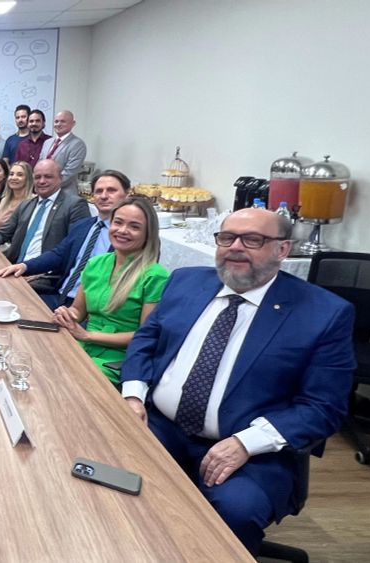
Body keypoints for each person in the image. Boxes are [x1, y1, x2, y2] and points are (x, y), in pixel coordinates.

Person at [121, 208, 355, 555]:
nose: (235, 247)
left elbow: (324, 408)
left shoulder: (323, 314)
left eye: (253, 239)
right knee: (107, 471)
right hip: (161, 425)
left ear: (282, 250)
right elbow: (146, 338)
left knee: (236, 511)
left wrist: (247, 442)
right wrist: (133, 395)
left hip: (249, 447)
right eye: (227, 238)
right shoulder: (186, 281)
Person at [52, 197, 168, 384]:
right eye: (118, 222)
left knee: (67, 381)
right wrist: (66, 314)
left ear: (148, 234)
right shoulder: (96, 263)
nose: (122, 231)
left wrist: (87, 335)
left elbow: (144, 337)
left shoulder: (155, 276)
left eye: (134, 226)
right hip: (84, 344)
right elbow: (78, 310)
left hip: (119, 359)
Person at [0, 170, 133, 310]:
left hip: (94, 310)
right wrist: (24, 266)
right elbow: (58, 254)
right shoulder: (84, 225)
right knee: (2, 300)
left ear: (127, 194)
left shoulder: (129, 237)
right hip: (60, 297)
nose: (104, 196)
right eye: (99, 191)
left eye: (111, 190)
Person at [0, 159, 91, 289]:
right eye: (38, 177)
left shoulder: (74, 205)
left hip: (45, 275)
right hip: (16, 266)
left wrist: (38, 270)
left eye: (48, 177)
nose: (42, 181)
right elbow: (3, 231)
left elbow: (74, 248)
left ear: (60, 178)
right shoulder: (26, 205)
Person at [40, 111, 87, 193]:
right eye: (56, 121)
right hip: (43, 191)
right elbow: (40, 165)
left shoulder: (78, 144)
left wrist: (48, 185)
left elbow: (69, 172)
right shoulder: (47, 142)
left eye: (63, 121)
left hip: (64, 193)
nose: (58, 124)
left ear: (73, 123)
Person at [0, 161, 34, 230]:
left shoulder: (33, 201)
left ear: (28, 178)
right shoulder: (4, 200)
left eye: (20, 175)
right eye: (11, 174)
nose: (14, 178)